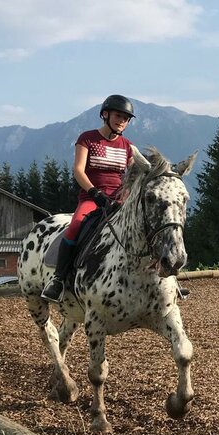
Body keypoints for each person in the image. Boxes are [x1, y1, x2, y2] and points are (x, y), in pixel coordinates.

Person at [41, 95, 136, 303]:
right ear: (105, 114)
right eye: (118, 115)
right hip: (93, 196)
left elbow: (132, 175)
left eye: (126, 118)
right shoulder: (88, 138)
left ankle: (164, 279)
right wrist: (95, 193)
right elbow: (78, 170)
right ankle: (57, 279)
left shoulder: (127, 145)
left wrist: (127, 196)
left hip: (119, 198)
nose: (122, 121)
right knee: (75, 226)